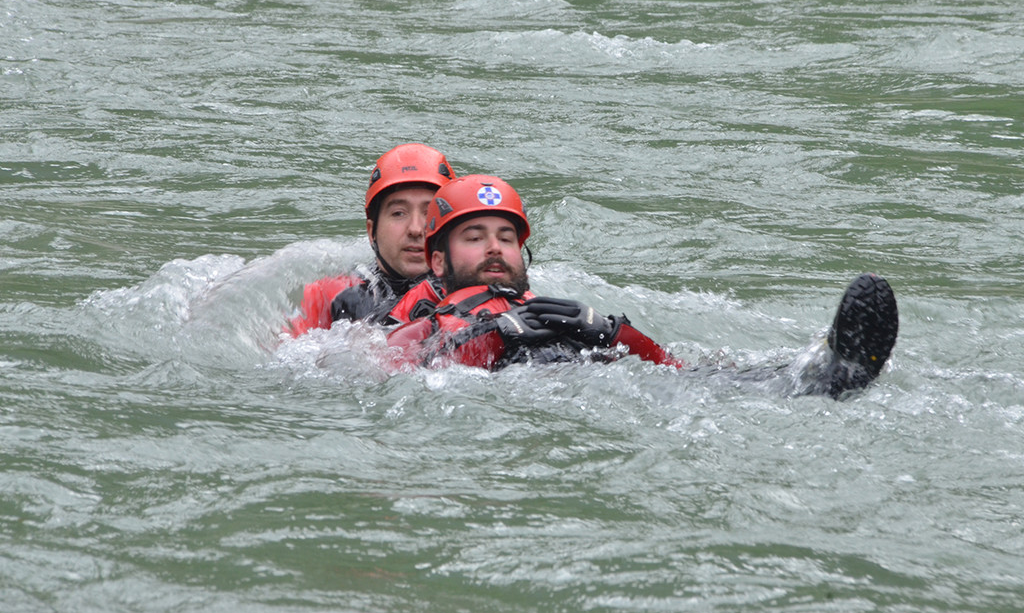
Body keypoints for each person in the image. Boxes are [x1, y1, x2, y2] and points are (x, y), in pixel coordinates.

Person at [385, 174, 899, 399]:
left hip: (604, 381)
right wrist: (497, 334)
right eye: (474, 238)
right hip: (538, 397)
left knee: (704, 377)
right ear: (438, 261)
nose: (495, 248)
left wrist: (610, 331)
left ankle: (827, 368)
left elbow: (664, 364)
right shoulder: (419, 322)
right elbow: (405, 373)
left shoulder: (550, 306)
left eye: (505, 237)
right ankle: (817, 385)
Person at [287, 143, 454, 336]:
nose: (416, 229)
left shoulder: (472, 291)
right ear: (371, 231)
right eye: (399, 213)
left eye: (430, 213)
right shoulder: (332, 297)